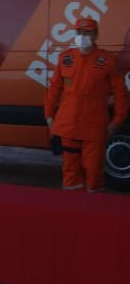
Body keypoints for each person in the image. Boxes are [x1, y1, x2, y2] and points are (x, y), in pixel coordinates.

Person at [44, 18, 128, 192]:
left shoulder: (106, 60)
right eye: (79, 33)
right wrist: (49, 115)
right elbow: (54, 89)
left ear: (96, 35)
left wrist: (117, 121)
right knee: (70, 170)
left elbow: (121, 93)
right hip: (68, 124)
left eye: (87, 33)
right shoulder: (65, 58)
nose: (82, 37)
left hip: (93, 125)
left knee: (94, 170)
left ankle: (93, 209)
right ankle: (70, 208)